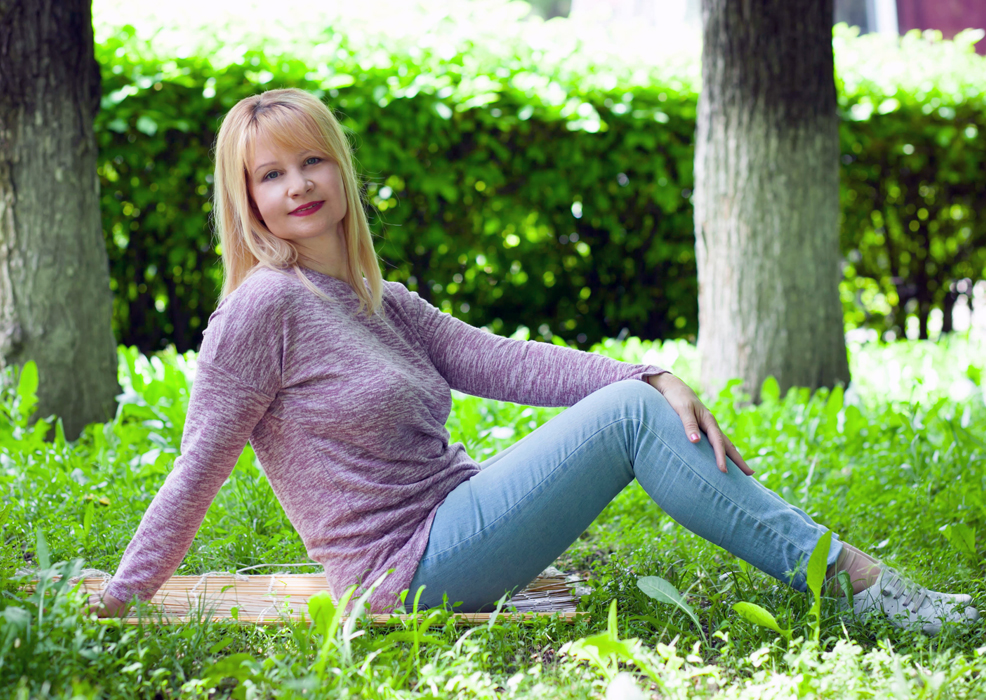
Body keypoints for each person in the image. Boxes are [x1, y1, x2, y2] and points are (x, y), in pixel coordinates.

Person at [87, 88, 978, 636]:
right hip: (407, 570)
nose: (299, 185)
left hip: (457, 522)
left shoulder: (378, 300)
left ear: (341, 171)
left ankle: (849, 576)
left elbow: (503, 362)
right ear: (246, 199)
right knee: (632, 416)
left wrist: (652, 373)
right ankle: (858, 582)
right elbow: (198, 463)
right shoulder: (261, 311)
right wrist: (127, 591)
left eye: (312, 160)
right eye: (271, 175)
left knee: (637, 402)